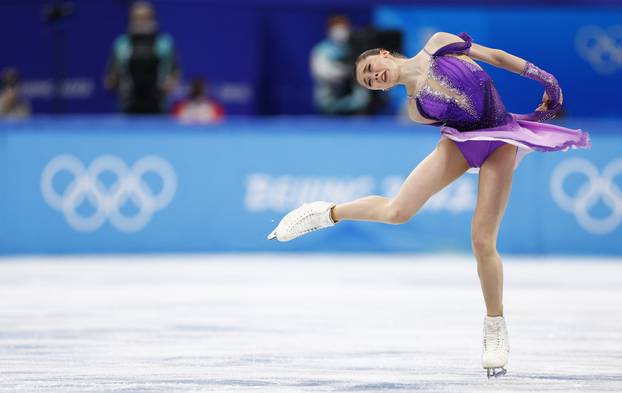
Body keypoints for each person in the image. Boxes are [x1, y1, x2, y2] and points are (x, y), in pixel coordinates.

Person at [268, 32, 590, 377]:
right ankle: (325, 212)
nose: (374, 77)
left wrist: (546, 80)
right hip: (460, 144)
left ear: (383, 54)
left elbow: (494, 56)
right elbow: (462, 122)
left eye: (372, 68)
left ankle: (494, 327)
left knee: (483, 241)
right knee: (397, 212)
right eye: (369, 82)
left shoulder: (439, 43)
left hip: (500, 141)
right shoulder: (416, 110)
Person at [105, 1, 180, 114]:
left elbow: (174, 71)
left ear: (153, 19)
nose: (141, 21)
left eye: (146, 17)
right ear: (131, 20)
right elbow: (111, 75)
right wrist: (113, 80)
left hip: (158, 106)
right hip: (128, 106)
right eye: (137, 17)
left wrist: (171, 82)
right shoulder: (121, 44)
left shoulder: (164, 44)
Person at [310, 15, 370, 115]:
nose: (340, 31)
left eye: (343, 28)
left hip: (356, 103)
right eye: (336, 28)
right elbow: (321, 72)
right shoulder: (322, 49)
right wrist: (346, 71)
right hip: (329, 101)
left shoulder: (356, 47)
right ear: (329, 30)